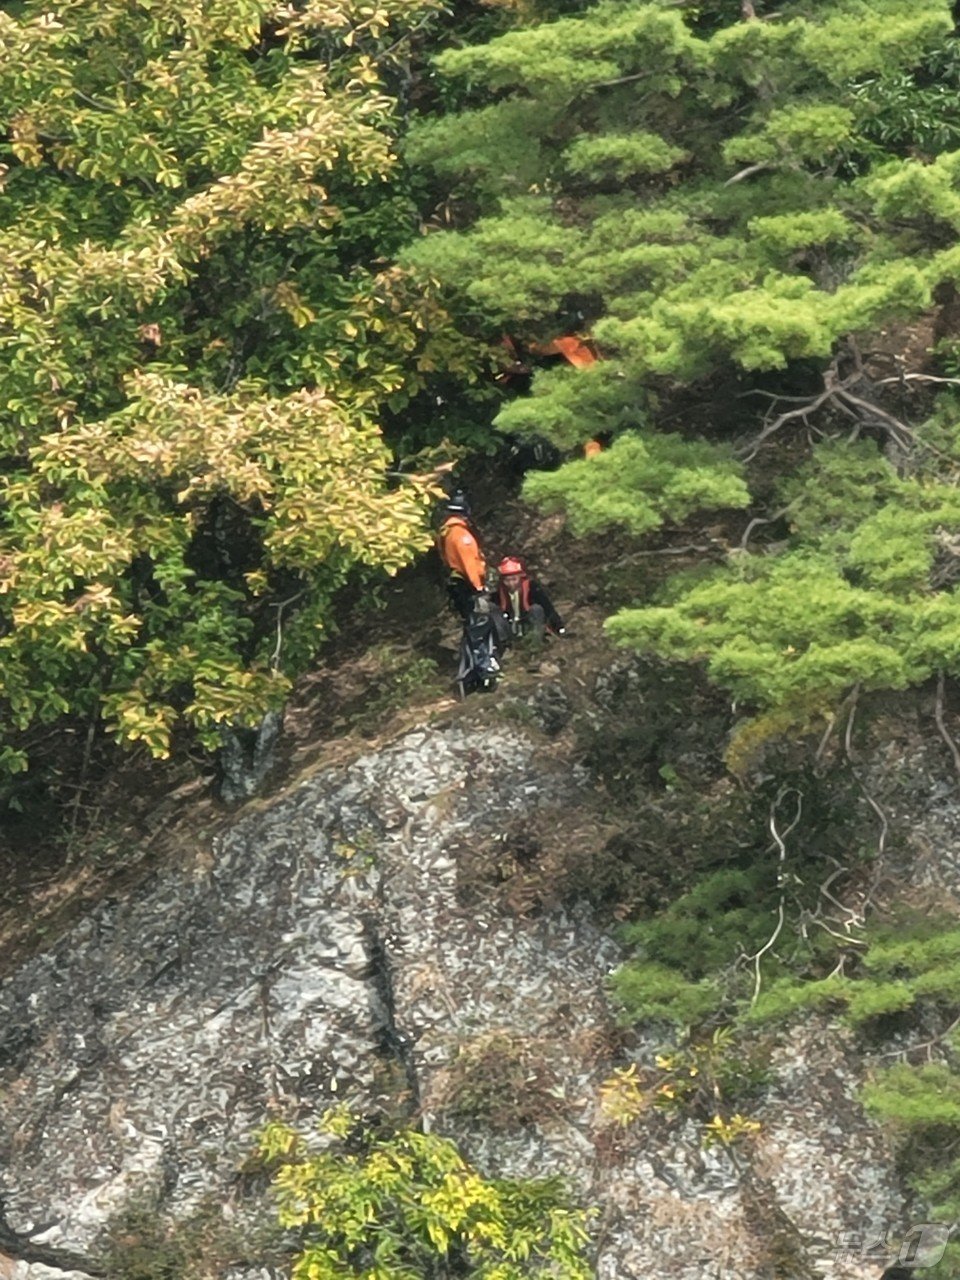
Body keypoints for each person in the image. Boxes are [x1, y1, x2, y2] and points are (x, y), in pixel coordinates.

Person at [436, 491, 487, 621]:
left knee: (467, 620)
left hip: (456, 581)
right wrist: (478, 587)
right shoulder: (461, 535)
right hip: (465, 583)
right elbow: (468, 563)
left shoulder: (447, 532)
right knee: (475, 621)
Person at [496, 557, 565, 642]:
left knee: (536, 609)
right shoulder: (499, 592)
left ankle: (535, 640)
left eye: (514, 579)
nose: (511, 583)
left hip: (528, 623)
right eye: (507, 580)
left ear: (521, 577)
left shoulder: (532, 589)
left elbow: (548, 607)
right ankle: (504, 643)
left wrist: (559, 627)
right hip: (510, 628)